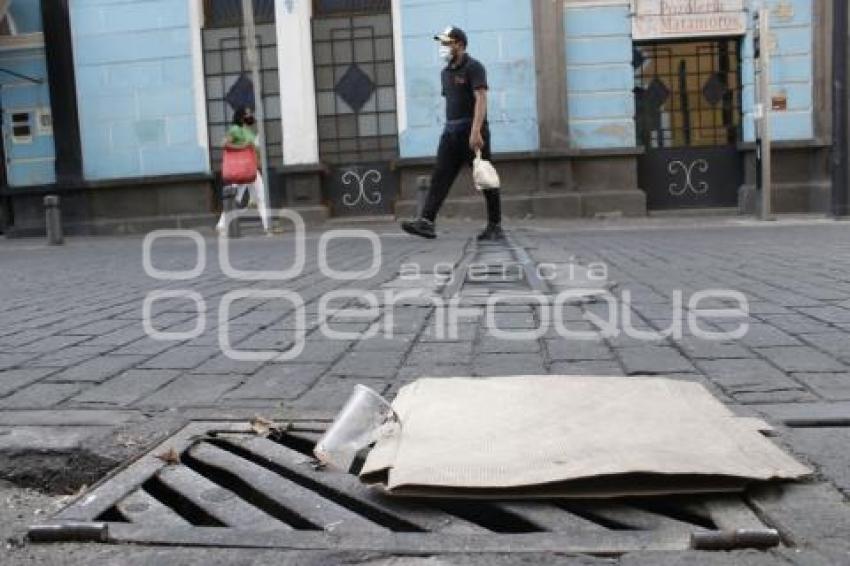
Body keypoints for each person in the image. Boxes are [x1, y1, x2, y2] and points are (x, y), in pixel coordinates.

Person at [401, 26, 503, 241]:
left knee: (485, 179)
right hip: (451, 132)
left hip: (472, 131)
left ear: (460, 45)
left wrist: (476, 131)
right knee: (440, 176)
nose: (443, 47)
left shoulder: (475, 67)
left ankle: (495, 226)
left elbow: (481, 99)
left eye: (447, 43)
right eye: (442, 43)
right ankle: (426, 222)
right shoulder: (445, 73)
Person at [216, 107, 271, 234]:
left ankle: (266, 226)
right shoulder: (235, 129)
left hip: (252, 169)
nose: (250, 115)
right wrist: (241, 147)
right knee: (236, 198)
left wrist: (258, 165)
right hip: (241, 169)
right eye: (247, 114)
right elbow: (223, 144)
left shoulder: (248, 131)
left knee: (261, 196)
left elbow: (254, 150)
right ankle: (222, 224)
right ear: (241, 116)